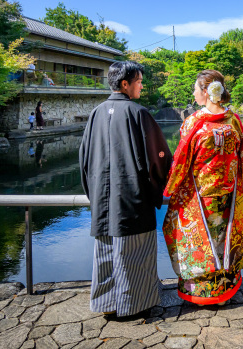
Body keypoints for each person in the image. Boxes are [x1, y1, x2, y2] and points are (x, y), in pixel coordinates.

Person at [79, 61, 172, 319]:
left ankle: (107, 304)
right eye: (139, 81)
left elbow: (84, 158)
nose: (142, 85)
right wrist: (156, 188)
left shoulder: (96, 112)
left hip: (102, 199)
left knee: (106, 253)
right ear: (125, 84)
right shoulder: (138, 113)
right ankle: (134, 305)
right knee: (135, 253)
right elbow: (159, 158)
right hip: (132, 198)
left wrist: (93, 193)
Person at [162, 70, 243, 305]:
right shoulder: (234, 120)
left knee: (199, 242)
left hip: (201, 196)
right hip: (229, 195)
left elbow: (181, 161)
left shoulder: (194, 123)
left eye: (196, 89)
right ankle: (224, 292)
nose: (194, 93)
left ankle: (202, 294)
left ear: (206, 92)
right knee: (225, 240)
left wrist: (171, 187)